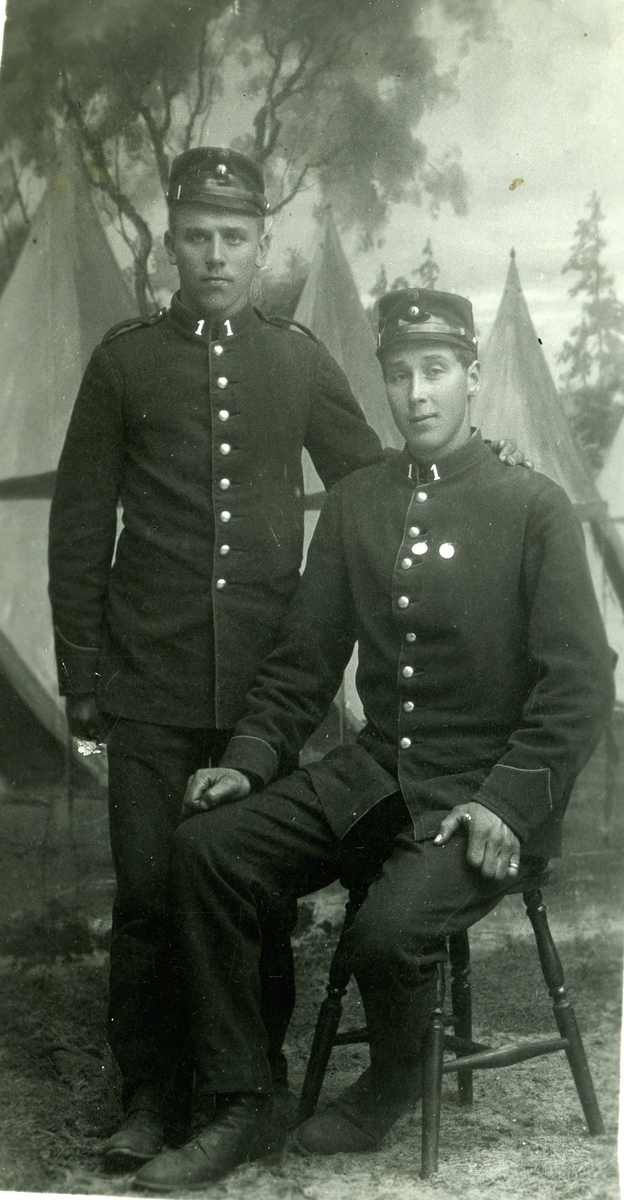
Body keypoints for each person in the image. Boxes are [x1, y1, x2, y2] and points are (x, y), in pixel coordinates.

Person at [48, 146, 527, 1171]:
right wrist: (83, 678)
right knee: (144, 892)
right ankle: (151, 1093)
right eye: (197, 237)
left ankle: (244, 1085)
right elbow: (81, 528)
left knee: (241, 881)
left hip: (268, 671)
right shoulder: (125, 361)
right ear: (170, 240)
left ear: (263, 246)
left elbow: (369, 478)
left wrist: (480, 487)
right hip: (149, 672)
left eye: (235, 239)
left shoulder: (298, 359)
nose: (215, 256)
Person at [132, 287, 614, 1192]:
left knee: (387, 934)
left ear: (471, 376)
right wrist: (248, 762)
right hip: (373, 774)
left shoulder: (532, 505)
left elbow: (581, 684)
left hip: (487, 791)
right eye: (399, 375)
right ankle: (246, 1098)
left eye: (435, 371)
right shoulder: (358, 503)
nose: (417, 393)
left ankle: (393, 1079)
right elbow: (301, 662)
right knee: (209, 851)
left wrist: (506, 800)